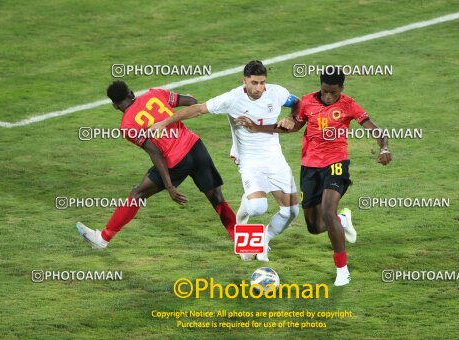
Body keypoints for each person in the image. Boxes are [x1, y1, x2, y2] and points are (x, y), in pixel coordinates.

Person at [235, 68, 392, 286]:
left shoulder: (348, 104)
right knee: (315, 227)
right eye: (325, 91)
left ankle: (342, 271)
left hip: (337, 163)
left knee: (328, 211)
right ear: (320, 86)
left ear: (342, 89)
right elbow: (293, 127)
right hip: (309, 167)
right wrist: (257, 127)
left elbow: (374, 129)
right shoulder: (307, 102)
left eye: (333, 93)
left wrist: (384, 148)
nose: (328, 97)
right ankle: (342, 220)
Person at [149, 60, 298, 262]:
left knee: (291, 212)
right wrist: (165, 122)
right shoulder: (232, 99)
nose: (259, 88)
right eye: (254, 83)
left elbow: (299, 103)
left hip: (275, 158)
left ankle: (264, 239)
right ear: (244, 80)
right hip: (250, 160)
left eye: (262, 82)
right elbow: (199, 109)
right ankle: (242, 217)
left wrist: (291, 115)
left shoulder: (277, 93)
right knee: (258, 208)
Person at [76, 81, 236, 249]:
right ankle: (240, 239)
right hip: (196, 147)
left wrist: (169, 186)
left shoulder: (127, 126)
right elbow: (191, 101)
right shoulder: (155, 93)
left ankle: (103, 239)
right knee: (216, 197)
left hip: (175, 161)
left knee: (137, 194)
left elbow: (156, 153)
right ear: (131, 92)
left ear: (115, 106)